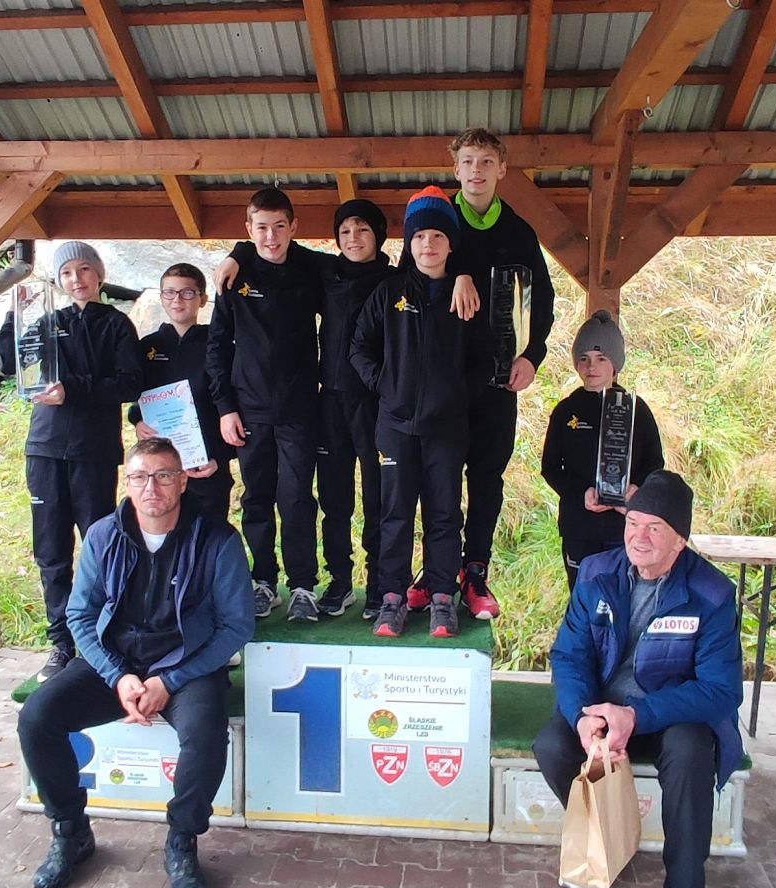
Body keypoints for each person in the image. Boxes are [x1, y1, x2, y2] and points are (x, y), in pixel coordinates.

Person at [17, 437, 255, 888]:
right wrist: (118, 676)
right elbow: (81, 615)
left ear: (182, 482)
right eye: (140, 477)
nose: (152, 488)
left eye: (164, 476)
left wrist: (170, 680)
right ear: (126, 482)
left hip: (186, 667)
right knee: (37, 717)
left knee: (206, 735)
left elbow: (237, 625)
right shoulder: (103, 534)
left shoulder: (218, 539)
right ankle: (70, 830)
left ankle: (181, 840)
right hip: (116, 663)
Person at [533, 470, 744, 888]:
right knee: (553, 746)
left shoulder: (712, 593)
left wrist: (637, 716)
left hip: (671, 713)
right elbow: (570, 654)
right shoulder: (597, 573)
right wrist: (585, 716)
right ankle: (606, 842)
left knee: (692, 754)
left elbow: (721, 690)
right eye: (633, 523)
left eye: (655, 528)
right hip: (607, 708)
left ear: (680, 541)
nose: (639, 537)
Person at [215, 200, 394, 621]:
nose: (353, 239)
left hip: (360, 404)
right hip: (313, 403)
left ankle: (370, 583)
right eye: (344, 232)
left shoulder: (380, 280)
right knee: (320, 498)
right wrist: (238, 252)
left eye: (362, 230)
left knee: (360, 498)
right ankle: (325, 581)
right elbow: (218, 345)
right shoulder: (321, 272)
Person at [404, 128, 556, 621]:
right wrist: (459, 274)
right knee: (440, 479)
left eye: (486, 162)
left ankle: (476, 571)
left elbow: (542, 301)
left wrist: (532, 356)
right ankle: (437, 570)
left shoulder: (518, 232)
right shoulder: (435, 221)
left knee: (487, 478)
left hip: (497, 381)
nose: (476, 171)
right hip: (443, 382)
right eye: (468, 161)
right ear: (456, 169)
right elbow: (409, 282)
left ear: (502, 170)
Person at [0, 241, 142, 682]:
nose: (76, 279)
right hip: (44, 448)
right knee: (51, 549)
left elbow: (130, 382)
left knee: (100, 543)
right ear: (58, 281)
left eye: (84, 270)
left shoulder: (116, 325)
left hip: (93, 450)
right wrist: (13, 316)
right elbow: (12, 365)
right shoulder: (46, 321)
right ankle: (61, 642)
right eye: (66, 273)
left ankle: (101, 637)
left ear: (98, 275)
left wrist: (72, 389)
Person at [350, 186, 487, 639]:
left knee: (444, 514)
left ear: (451, 243)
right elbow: (359, 348)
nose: (428, 244)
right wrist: (386, 385)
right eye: (420, 236)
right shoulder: (388, 292)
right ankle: (391, 597)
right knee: (394, 513)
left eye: (437, 236)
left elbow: (484, 359)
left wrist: (456, 396)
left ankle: (442, 597)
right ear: (409, 243)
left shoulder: (466, 296)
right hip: (395, 425)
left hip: (447, 428)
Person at [206, 187, 323, 623]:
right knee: (256, 498)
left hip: (299, 409)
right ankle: (263, 582)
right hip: (248, 410)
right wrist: (225, 408)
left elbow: (355, 271)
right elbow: (217, 347)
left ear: (294, 227)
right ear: (248, 228)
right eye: (261, 228)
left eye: (279, 227)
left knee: (296, 499)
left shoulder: (311, 268)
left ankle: (303, 586)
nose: (270, 237)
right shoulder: (234, 277)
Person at [541, 309, 664, 590]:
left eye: (601, 358)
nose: (591, 367)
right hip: (579, 527)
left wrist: (636, 491)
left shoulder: (636, 410)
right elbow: (551, 468)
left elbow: (654, 462)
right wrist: (581, 494)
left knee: (623, 597)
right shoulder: (565, 411)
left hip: (626, 527)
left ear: (615, 364)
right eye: (584, 358)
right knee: (583, 596)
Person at [129, 263, 235, 522]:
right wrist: (137, 421)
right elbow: (136, 400)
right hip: (159, 470)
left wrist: (219, 457)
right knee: (162, 532)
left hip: (206, 466)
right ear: (161, 297)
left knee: (208, 535)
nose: (177, 300)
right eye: (170, 292)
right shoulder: (147, 348)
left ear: (203, 299)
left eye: (187, 293)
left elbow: (233, 407)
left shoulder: (219, 346)